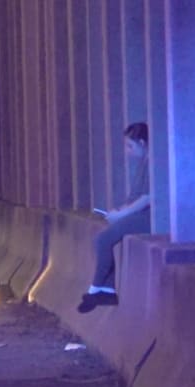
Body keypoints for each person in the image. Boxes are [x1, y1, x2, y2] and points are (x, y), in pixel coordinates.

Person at [77, 122, 151, 313]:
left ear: (143, 143)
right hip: (139, 214)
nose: (127, 152)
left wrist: (122, 214)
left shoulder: (152, 163)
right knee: (104, 239)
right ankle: (107, 290)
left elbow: (148, 197)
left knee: (102, 239)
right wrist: (119, 212)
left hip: (149, 216)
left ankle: (95, 289)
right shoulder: (145, 163)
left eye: (130, 146)